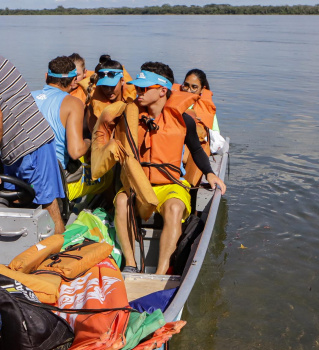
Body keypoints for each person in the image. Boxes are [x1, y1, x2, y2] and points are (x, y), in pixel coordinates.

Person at [114, 61, 226, 276]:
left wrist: (210, 173)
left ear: (162, 90)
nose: (138, 92)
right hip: (139, 184)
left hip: (169, 185)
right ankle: (130, 263)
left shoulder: (183, 120)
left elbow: (196, 149)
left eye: (144, 88)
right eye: (137, 87)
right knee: (120, 200)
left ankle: (161, 272)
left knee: (175, 207)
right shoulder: (130, 118)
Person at [0, 43, 67, 233]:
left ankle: (58, 253)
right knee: (15, 204)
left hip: (31, 144)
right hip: (12, 147)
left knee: (48, 208)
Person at [35, 56, 113, 202]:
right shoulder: (73, 103)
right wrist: (89, 142)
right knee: (108, 176)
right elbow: (75, 152)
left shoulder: (28, 98)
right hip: (55, 183)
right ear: (73, 81)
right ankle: (101, 214)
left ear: (46, 77)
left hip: (27, 176)